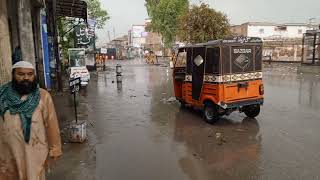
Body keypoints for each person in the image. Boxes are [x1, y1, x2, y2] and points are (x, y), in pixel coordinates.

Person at [0, 61, 62, 180]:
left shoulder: (43, 96)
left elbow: (51, 124)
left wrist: (55, 148)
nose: (26, 78)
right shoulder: (2, 96)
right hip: (7, 152)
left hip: (34, 151)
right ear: (13, 75)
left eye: (30, 74)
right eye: (21, 74)